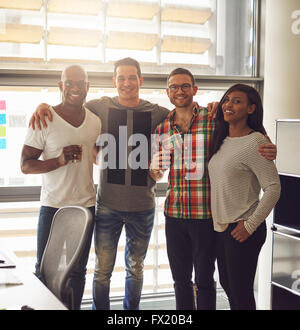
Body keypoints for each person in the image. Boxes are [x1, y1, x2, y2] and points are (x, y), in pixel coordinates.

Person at [28, 58, 170, 310]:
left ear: (141, 80)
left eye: (132, 77)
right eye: (121, 78)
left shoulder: (157, 112)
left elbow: (182, 118)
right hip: (107, 206)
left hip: (142, 206)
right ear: (114, 81)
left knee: (135, 270)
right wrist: (42, 106)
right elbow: (68, 104)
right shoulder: (99, 108)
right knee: (101, 271)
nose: (127, 83)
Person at [149, 69, 277, 310]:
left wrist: (270, 145)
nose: (180, 91)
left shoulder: (214, 117)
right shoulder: (162, 128)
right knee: (180, 281)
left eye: (185, 86)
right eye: (174, 87)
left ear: (194, 89)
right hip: (174, 215)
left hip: (206, 216)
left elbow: (249, 134)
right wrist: (153, 170)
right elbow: (157, 171)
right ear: (167, 92)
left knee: (206, 281)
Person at [20, 65, 101, 310]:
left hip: (86, 206)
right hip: (53, 207)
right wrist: (58, 161)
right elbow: (25, 165)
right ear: (60, 86)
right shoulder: (43, 119)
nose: (75, 87)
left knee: (78, 272)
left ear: (88, 86)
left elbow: (97, 155)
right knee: (45, 270)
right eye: (69, 82)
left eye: (80, 83)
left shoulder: (95, 122)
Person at [208, 84, 281, 310]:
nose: (229, 105)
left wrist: (250, 225)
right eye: (227, 100)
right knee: (228, 286)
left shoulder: (256, 142)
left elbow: (273, 187)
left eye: (237, 101)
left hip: (243, 229)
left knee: (241, 294)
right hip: (221, 228)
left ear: (251, 109)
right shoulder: (221, 137)